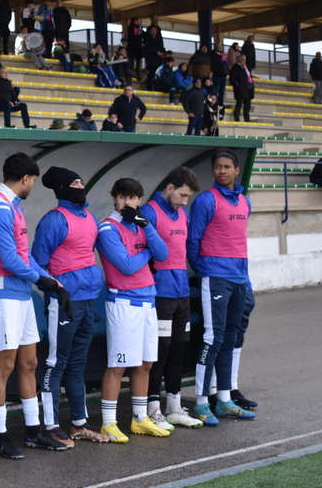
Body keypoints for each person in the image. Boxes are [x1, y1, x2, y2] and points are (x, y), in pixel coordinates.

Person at [0, 153, 71, 459]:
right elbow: (8, 260)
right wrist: (39, 281)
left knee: (29, 362)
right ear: (26, 179)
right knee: (4, 366)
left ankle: (33, 430)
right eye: (33, 181)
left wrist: (52, 281)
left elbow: (25, 255)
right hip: (3, 296)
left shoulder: (14, 208)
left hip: (20, 295)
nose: (33, 186)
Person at [31, 167, 111, 445]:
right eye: (75, 182)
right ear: (63, 188)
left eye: (81, 181)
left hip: (88, 300)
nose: (80, 185)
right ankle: (51, 426)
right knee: (55, 363)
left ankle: (79, 424)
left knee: (77, 364)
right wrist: (53, 289)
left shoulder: (89, 217)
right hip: (64, 303)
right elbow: (37, 263)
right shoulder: (53, 220)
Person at [95, 177, 170, 442]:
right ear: (114, 198)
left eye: (133, 198)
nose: (128, 202)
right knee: (118, 365)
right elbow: (126, 265)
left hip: (148, 301)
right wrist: (148, 252)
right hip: (123, 302)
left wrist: (147, 228)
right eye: (123, 197)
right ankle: (108, 423)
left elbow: (163, 253)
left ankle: (140, 419)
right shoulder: (107, 228)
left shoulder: (141, 225)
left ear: (140, 200)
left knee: (146, 363)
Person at [188, 149, 257, 424]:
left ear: (236, 171)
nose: (222, 171)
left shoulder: (244, 202)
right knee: (212, 337)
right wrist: (204, 270)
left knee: (229, 338)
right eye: (217, 167)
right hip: (215, 276)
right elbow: (193, 241)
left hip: (239, 277)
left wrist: (246, 278)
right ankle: (202, 403)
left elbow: (239, 241)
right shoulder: (206, 200)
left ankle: (225, 400)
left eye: (227, 166)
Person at [140, 167, 205, 430]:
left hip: (181, 294)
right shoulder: (149, 212)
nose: (184, 201)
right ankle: (152, 407)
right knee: (159, 351)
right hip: (160, 293)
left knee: (179, 348)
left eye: (187, 197)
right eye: (182, 195)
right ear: (169, 188)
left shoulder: (183, 214)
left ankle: (174, 406)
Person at [229, 54, 255, 122]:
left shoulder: (246, 68)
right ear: (239, 60)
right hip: (240, 90)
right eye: (242, 59)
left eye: (245, 59)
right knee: (239, 105)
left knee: (247, 107)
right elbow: (232, 79)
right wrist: (237, 85)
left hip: (248, 90)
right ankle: (237, 120)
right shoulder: (235, 67)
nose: (244, 61)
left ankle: (247, 120)